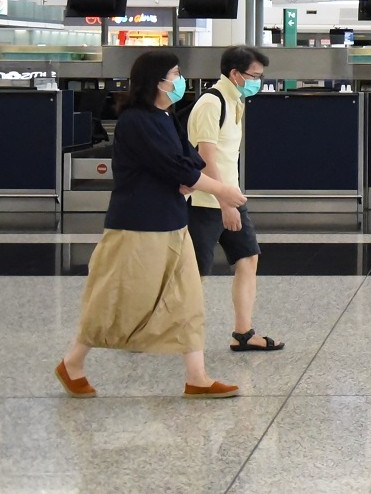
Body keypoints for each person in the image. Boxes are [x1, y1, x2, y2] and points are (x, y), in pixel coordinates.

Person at [56, 50, 247, 399]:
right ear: (158, 82)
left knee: (188, 297)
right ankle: (72, 362)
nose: (180, 81)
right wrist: (221, 190)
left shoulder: (165, 116)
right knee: (118, 297)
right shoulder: (136, 121)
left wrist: (192, 182)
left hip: (172, 222)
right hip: (137, 226)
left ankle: (197, 377)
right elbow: (173, 166)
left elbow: (187, 159)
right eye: (175, 74)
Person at [187, 45, 284, 352]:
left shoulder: (235, 101)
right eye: (254, 76)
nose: (258, 82)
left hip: (230, 197)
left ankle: (243, 333)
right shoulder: (211, 103)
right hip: (205, 203)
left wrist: (232, 200)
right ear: (235, 74)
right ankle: (154, 331)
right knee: (194, 273)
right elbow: (206, 158)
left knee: (248, 257)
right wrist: (225, 203)